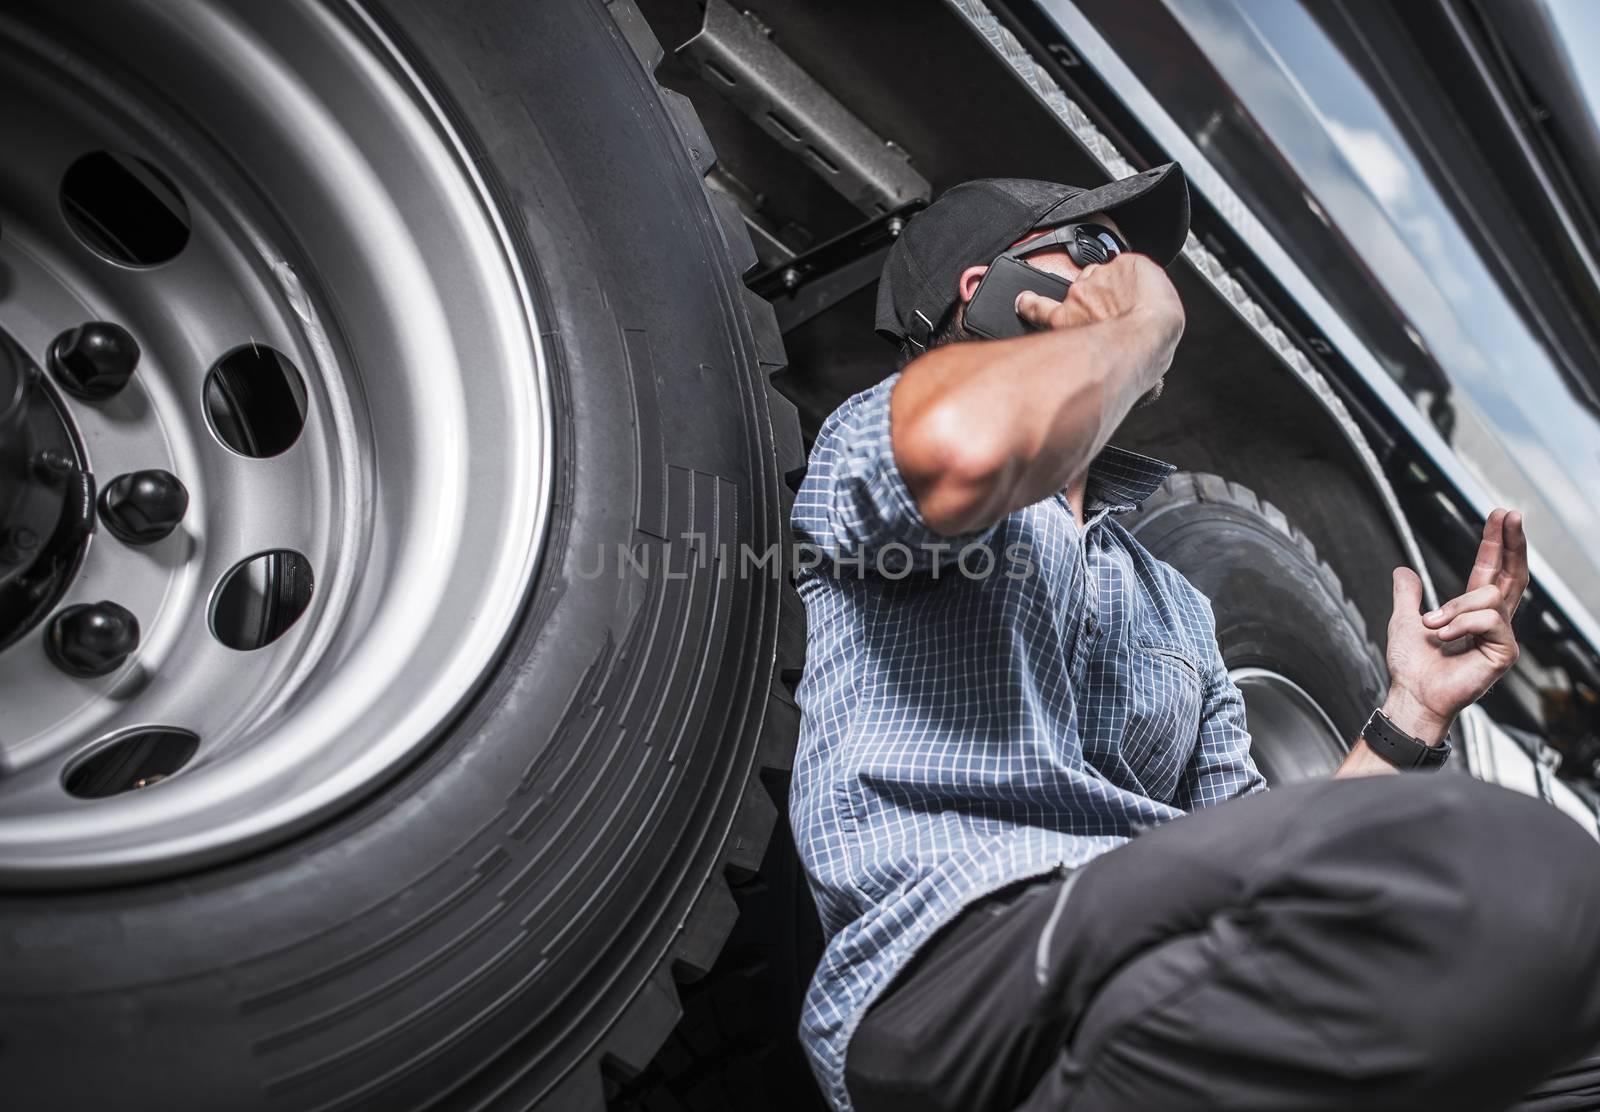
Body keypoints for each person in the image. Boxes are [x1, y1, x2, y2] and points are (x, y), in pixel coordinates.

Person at [787, 163, 1600, 1112]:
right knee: (1524, 866)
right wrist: (1137, 324)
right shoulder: (879, 437)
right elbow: (969, 450)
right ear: (988, 287)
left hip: (1156, 957)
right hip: (961, 975)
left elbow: (1281, 844)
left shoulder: (1170, 601)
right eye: (1097, 251)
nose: (1130, 270)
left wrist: (1410, 710)